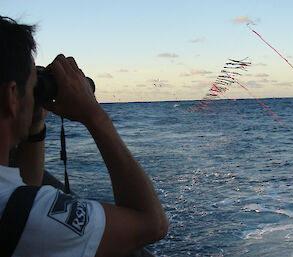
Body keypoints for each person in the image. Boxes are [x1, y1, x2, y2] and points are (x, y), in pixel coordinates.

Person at [0, 16, 168, 256]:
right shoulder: (25, 216)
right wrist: (94, 115)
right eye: (32, 87)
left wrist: (36, 126)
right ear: (11, 97)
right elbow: (151, 225)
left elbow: (24, 193)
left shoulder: (17, 209)